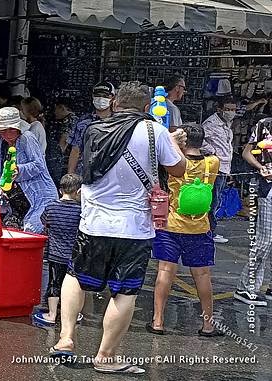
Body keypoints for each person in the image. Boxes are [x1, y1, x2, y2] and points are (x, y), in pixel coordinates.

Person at [50, 81, 186, 374]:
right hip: (134, 228)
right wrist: (173, 140)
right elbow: (178, 168)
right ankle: (106, 356)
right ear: (147, 107)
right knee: (125, 292)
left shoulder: (93, 130)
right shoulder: (155, 131)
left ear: (114, 102)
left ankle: (66, 339)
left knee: (75, 276)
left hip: (94, 223)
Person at [147, 124, 223, 337]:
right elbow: (209, 156)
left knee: (165, 272)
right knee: (202, 275)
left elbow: (172, 161)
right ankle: (208, 325)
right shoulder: (212, 163)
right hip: (200, 228)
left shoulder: (175, 164)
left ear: (182, 141)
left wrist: (171, 140)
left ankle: (158, 321)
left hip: (171, 225)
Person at [0, 107, 57, 233]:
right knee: (7, 232)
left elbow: (39, 165)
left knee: (33, 232)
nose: (8, 134)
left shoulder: (27, 138)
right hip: (13, 201)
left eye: (11, 130)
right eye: (3, 130)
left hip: (39, 197)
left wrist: (18, 170)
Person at [32, 174, 83, 327]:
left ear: (61, 190)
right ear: (78, 192)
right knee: (75, 285)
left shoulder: (51, 207)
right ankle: (74, 314)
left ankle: (52, 315)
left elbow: (44, 221)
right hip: (74, 255)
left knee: (54, 283)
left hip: (54, 254)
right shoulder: (80, 211)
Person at [234, 117, 272, 306]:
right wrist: (261, 167)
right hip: (269, 186)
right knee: (264, 240)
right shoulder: (264, 125)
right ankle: (246, 287)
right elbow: (247, 153)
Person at [201, 97, 237, 244]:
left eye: (233, 109)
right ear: (219, 109)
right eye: (228, 109)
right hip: (215, 166)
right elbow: (200, 140)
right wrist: (212, 152)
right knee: (213, 201)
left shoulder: (226, 124)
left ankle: (209, 230)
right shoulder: (211, 123)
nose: (231, 112)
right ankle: (209, 231)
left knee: (217, 199)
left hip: (224, 167)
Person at [67, 82, 115, 175]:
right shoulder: (83, 122)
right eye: (98, 95)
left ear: (113, 98)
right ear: (93, 96)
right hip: (84, 173)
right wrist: (70, 176)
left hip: (110, 174)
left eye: (105, 95)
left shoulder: (118, 122)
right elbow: (75, 150)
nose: (101, 98)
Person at [46, 98, 76, 184]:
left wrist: (56, 158)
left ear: (62, 108)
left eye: (56, 109)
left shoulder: (69, 120)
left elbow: (64, 141)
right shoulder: (74, 119)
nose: (55, 112)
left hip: (65, 160)